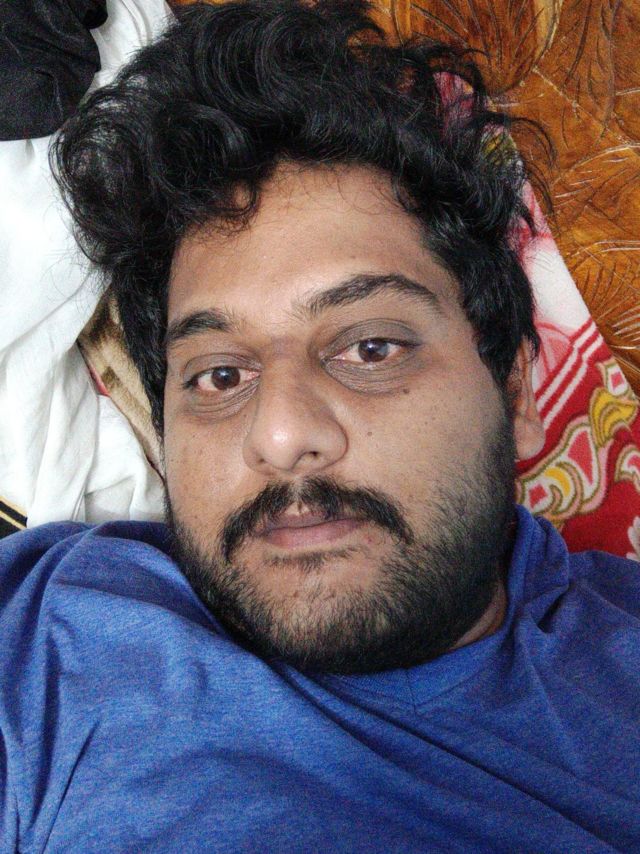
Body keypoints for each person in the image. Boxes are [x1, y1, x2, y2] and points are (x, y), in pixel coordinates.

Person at [1, 0, 639, 850]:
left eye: (371, 348)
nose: (280, 435)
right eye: (220, 376)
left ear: (516, 391)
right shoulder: (51, 637)